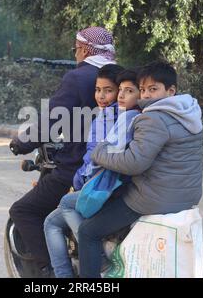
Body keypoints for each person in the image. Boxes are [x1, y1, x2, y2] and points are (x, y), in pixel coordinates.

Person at [78, 61, 203, 278]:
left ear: (170, 90)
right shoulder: (190, 113)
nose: (146, 96)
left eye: (153, 89)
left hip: (153, 199)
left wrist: (99, 154)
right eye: (143, 90)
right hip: (188, 197)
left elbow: (134, 162)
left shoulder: (152, 117)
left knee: (88, 231)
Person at [9, 27, 117, 277]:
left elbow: (51, 122)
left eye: (76, 50)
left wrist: (21, 142)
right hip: (118, 167)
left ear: (83, 50)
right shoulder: (120, 75)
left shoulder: (78, 78)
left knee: (23, 210)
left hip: (78, 168)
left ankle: (49, 273)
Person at [44, 68, 141, 278]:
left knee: (54, 219)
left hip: (104, 186)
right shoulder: (132, 115)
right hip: (117, 185)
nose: (102, 96)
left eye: (109, 90)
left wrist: (78, 181)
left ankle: (80, 268)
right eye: (98, 90)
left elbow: (96, 157)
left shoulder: (113, 116)